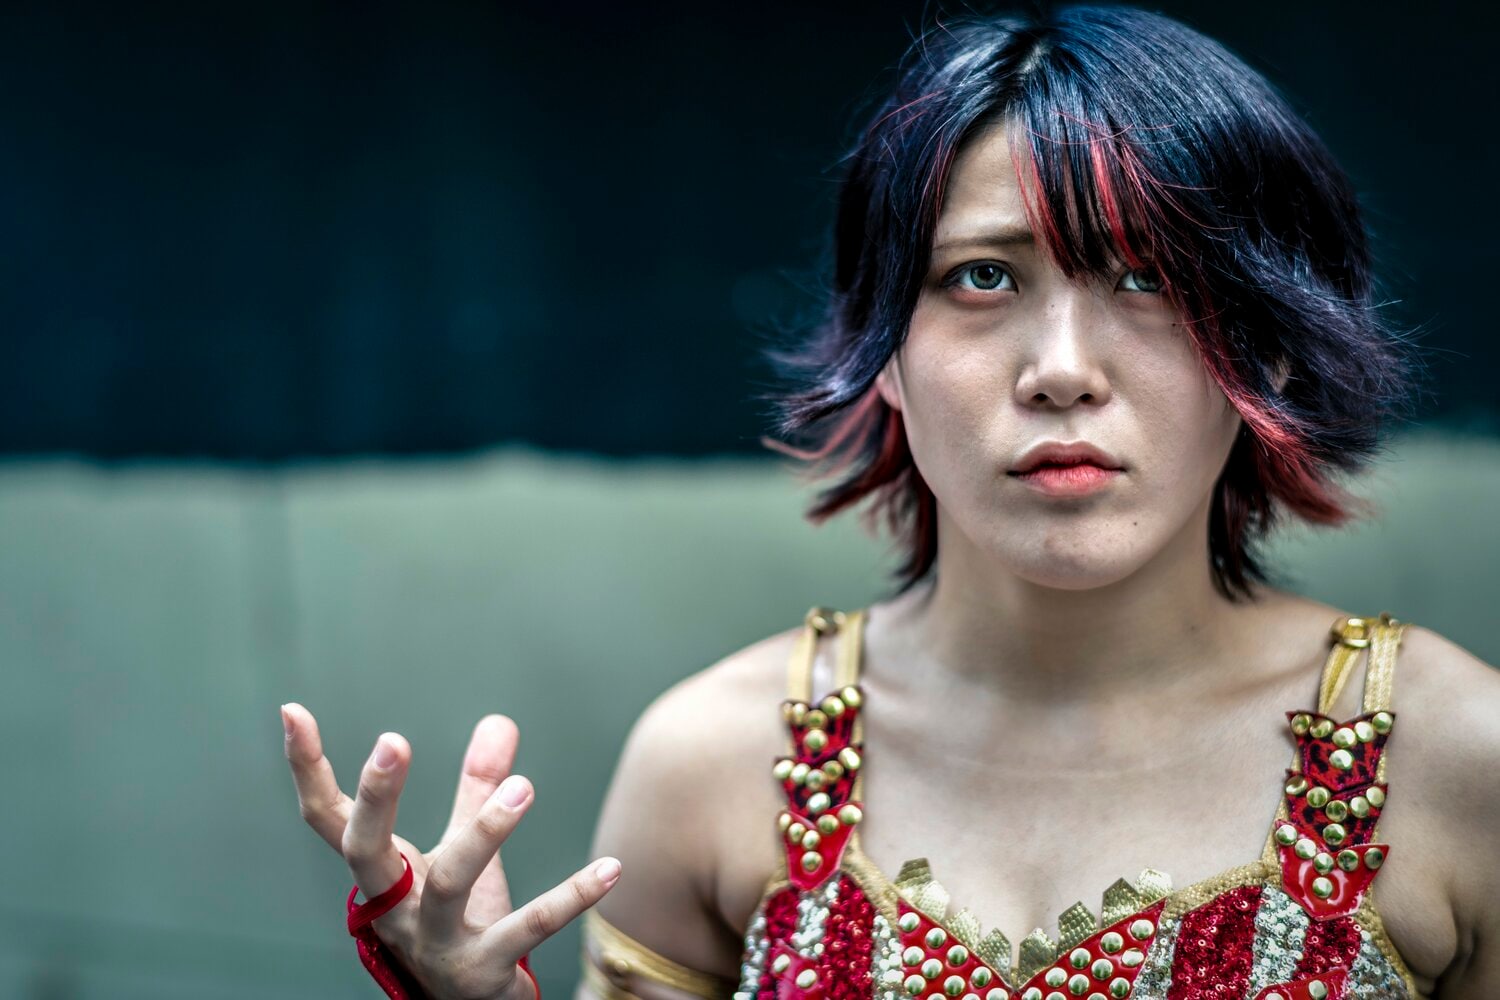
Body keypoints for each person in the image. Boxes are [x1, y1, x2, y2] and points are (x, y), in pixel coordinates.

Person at [281, 5, 1500, 999]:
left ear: (1269, 345)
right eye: (984, 276)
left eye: (1149, 278)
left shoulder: (1459, 761)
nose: (1062, 369)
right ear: (882, 352)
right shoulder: (714, 762)